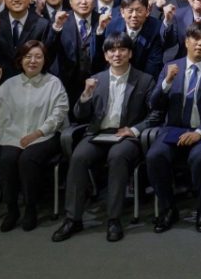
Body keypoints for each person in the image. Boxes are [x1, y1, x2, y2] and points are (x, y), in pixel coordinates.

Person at [53, 32, 159, 243]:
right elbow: (80, 115)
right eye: (112, 50)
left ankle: (114, 219)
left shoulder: (145, 80)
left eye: (122, 50)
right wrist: (86, 95)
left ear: (130, 53)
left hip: (127, 136)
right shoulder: (97, 79)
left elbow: (155, 114)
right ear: (106, 56)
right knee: (78, 157)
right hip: (98, 134)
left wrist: (134, 130)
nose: (117, 54)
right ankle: (73, 218)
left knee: (117, 157)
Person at [145, 21, 201, 234]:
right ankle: (168, 209)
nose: (200, 43)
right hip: (174, 130)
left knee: (200, 158)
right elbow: (154, 103)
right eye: (195, 38)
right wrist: (167, 82)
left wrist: (199, 132)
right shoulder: (170, 67)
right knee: (154, 156)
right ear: (186, 42)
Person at [0, 41, 68, 232]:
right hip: (13, 136)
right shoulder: (10, 84)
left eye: (38, 57)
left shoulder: (53, 83)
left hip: (45, 136)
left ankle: (30, 208)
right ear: (20, 60)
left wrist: (37, 133)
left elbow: (59, 113)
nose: (33, 61)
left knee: (27, 159)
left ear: (45, 60)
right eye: (28, 57)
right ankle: (12, 209)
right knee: (8, 159)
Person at [45, 0, 100, 105]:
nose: (83, 2)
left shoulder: (102, 21)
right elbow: (48, 51)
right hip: (65, 85)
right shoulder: (59, 20)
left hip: (96, 84)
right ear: (70, 1)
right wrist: (57, 27)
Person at [102, 0, 165, 78]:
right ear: (122, 12)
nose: (134, 15)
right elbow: (106, 59)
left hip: (143, 77)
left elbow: (153, 64)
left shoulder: (156, 27)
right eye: (130, 11)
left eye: (139, 11)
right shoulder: (112, 26)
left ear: (147, 11)